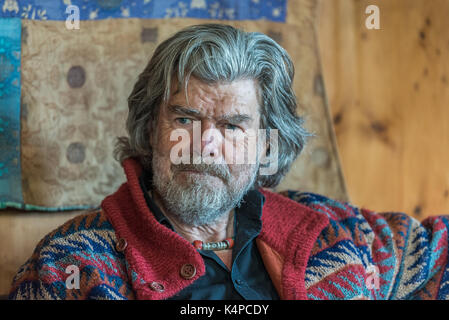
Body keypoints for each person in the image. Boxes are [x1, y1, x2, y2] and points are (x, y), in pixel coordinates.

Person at [9, 24, 449, 300]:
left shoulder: (332, 233)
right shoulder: (72, 266)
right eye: (185, 118)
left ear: (266, 148)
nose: (206, 145)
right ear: (149, 130)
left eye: (234, 127)